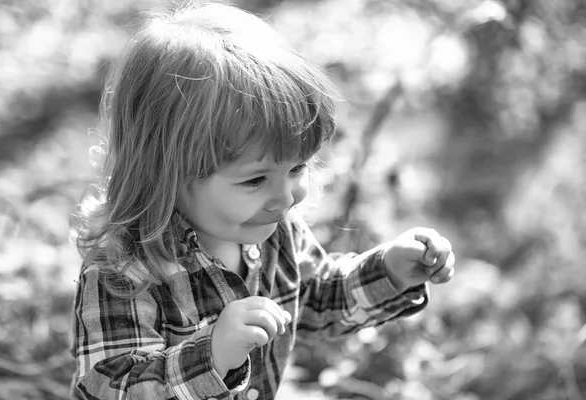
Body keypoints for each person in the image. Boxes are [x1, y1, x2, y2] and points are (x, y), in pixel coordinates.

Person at [69, 2, 456, 399]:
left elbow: (317, 298)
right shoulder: (125, 272)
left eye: (297, 169)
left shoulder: (275, 233)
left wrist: (390, 271)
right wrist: (212, 356)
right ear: (164, 173)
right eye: (255, 180)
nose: (286, 198)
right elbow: (107, 388)